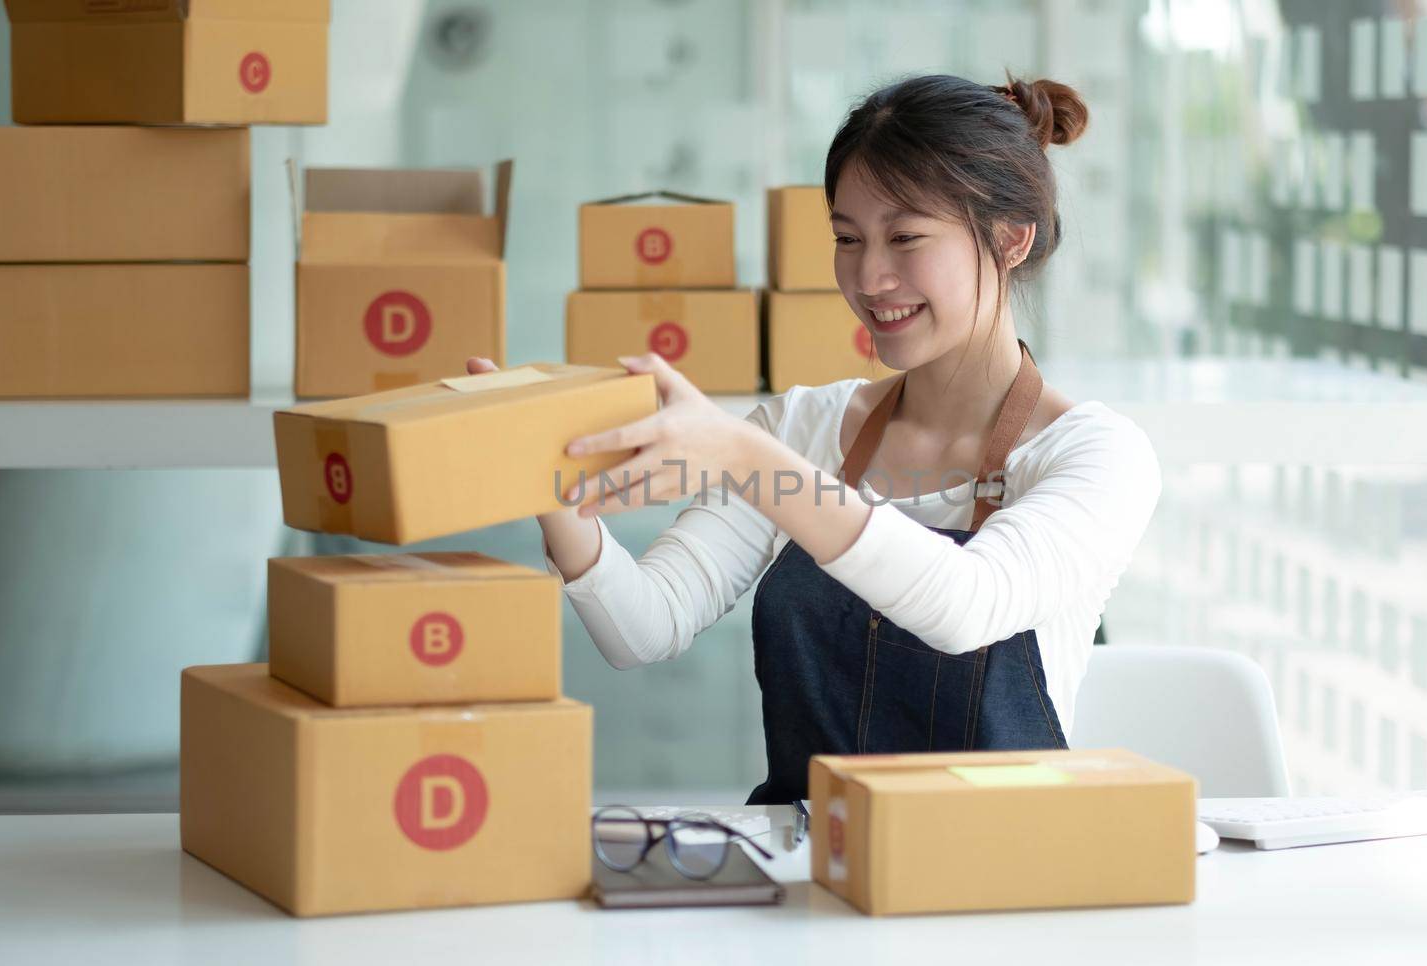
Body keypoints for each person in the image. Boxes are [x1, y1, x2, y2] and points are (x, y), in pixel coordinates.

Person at [468, 73, 1161, 805]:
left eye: (905, 238)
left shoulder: (1095, 457)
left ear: (1010, 239)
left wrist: (747, 458)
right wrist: (547, 472)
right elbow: (643, 626)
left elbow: (965, 606)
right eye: (847, 239)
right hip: (811, 867)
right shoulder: (802, 428)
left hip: (990, 878)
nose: (869, 277)